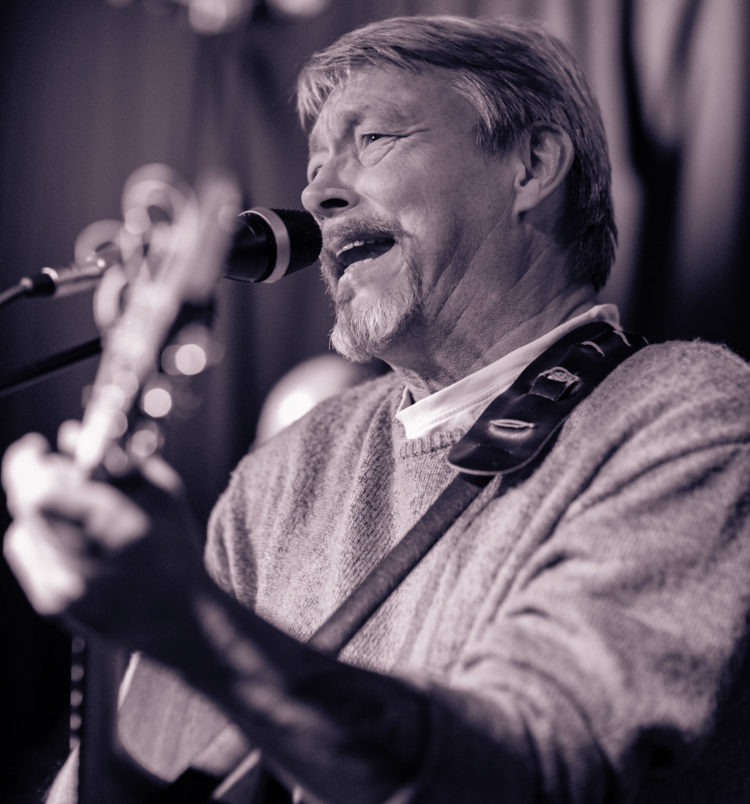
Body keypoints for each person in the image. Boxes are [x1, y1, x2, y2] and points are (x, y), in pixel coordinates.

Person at [4, 14, 750, 803]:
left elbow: (535, 770)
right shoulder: (284, 473)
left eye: (373, 140)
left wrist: (197, 627)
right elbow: (150, 775)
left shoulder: (688, 413)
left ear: (531, 166)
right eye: (314, 162)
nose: (315, 193)